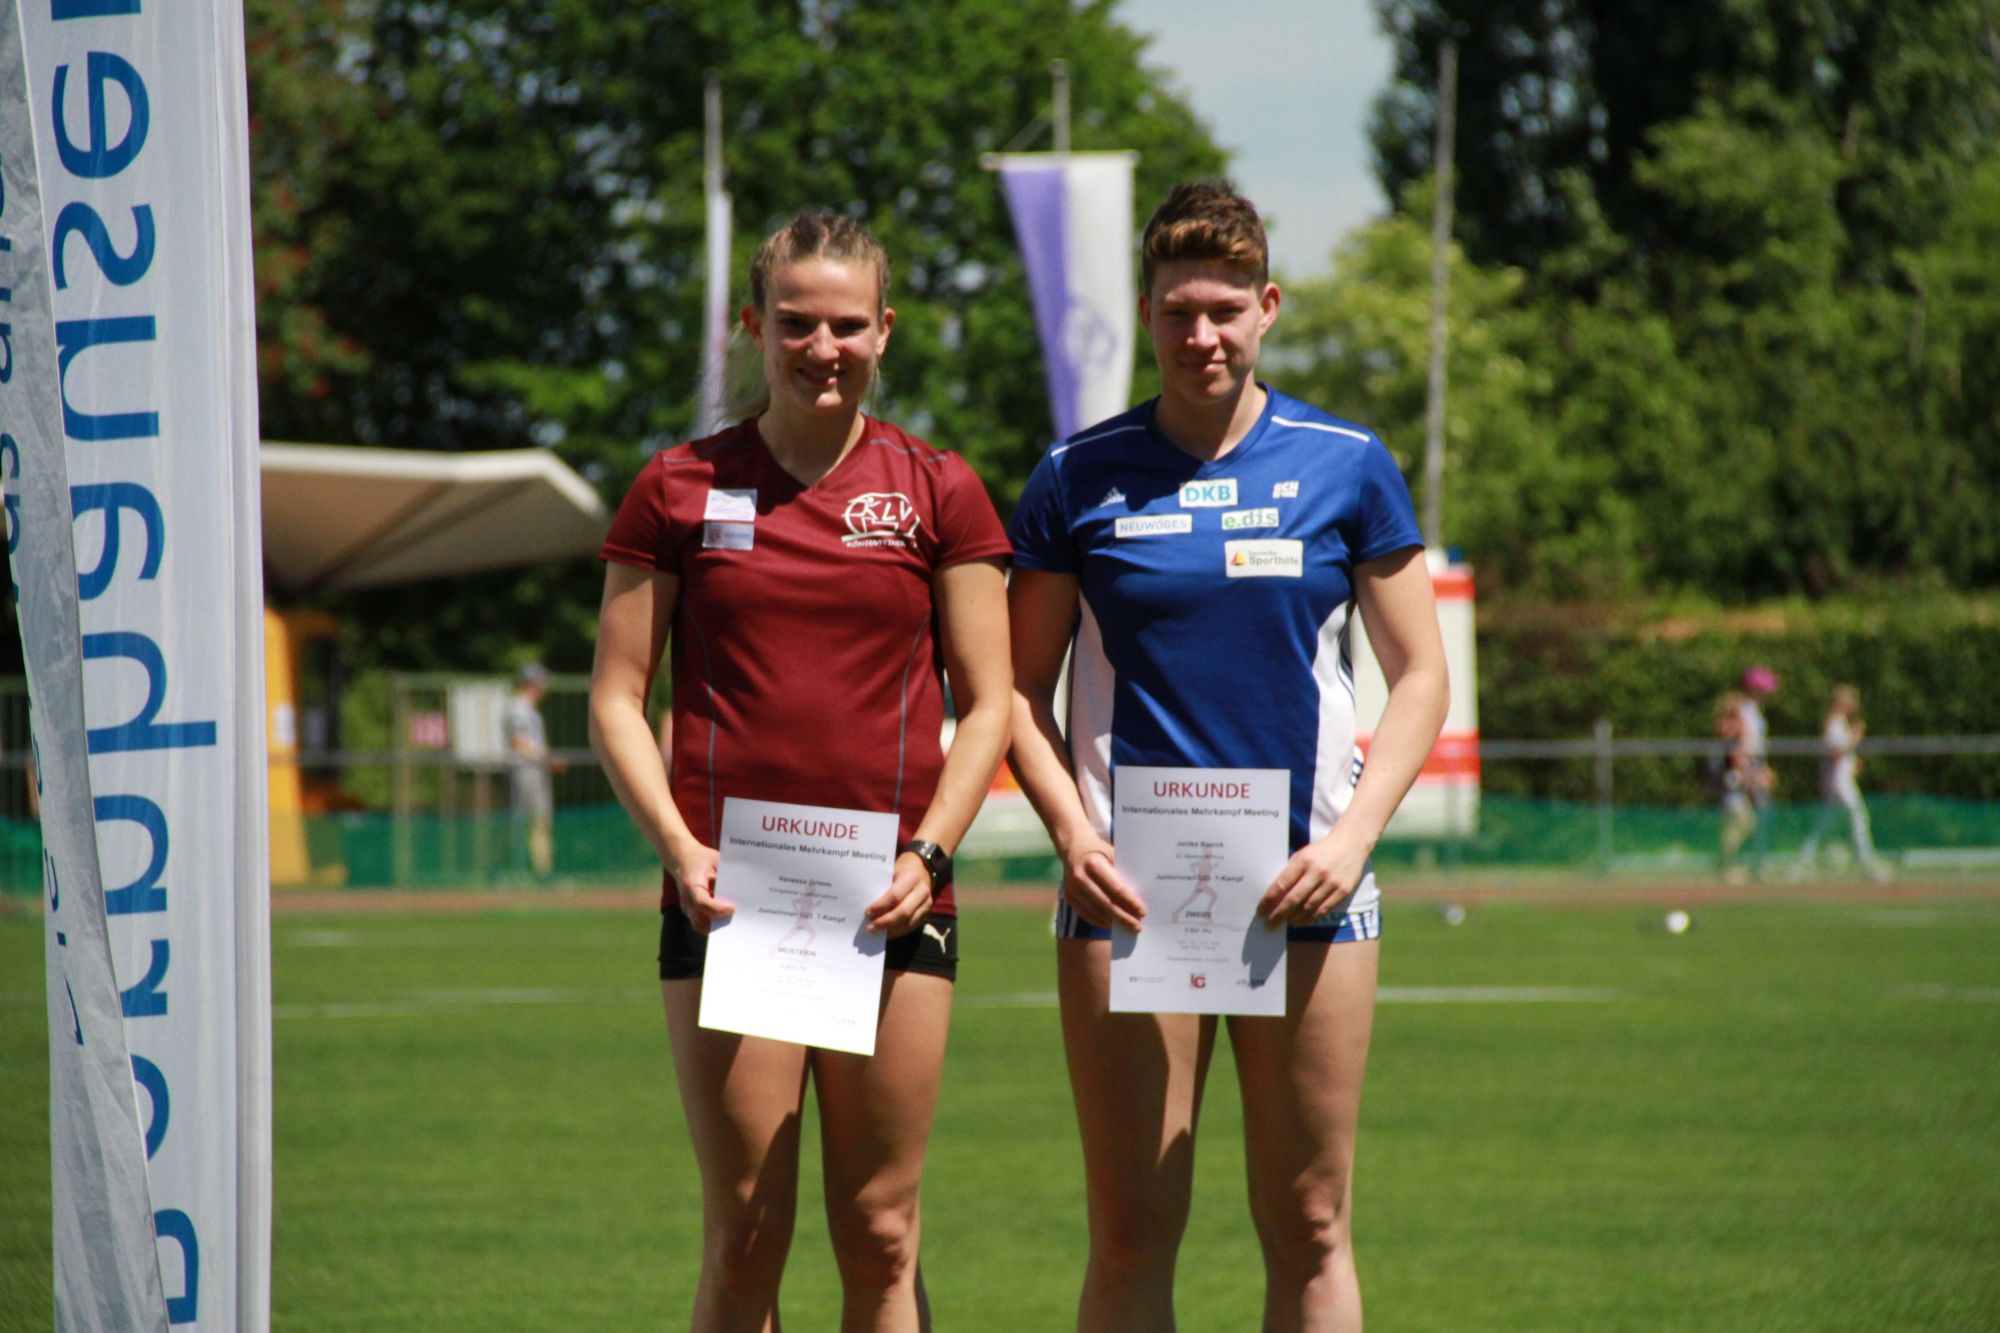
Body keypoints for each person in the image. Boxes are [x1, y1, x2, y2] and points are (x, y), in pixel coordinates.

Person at [1006, 180, 1449, 1331]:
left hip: (1310, 885)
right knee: (1129, 1231)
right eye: (1175, 311)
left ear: (1267, 307)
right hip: (1128, 896)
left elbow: (1419, 675)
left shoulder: (1346, 462)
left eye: (1222, 310)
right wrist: (1072, 835)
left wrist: (1351, 842)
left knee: (1310, 1224)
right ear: (1143, 314)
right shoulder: (1074, 474)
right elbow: (1009, 690)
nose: (1199, 334)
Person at [587, 209, 1012, 1332]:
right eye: (795, 323)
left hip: (894, 900)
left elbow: (990, 704)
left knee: (881, 1233)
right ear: (753, 326)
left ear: (885, 330)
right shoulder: (676, 487)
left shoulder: (939, 489)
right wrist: (678, 847)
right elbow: (615, 698)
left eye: (846, 326)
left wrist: (930, 854)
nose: (822, 348)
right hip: (729, 901)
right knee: (744, 1238)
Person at [1795, 685, 1891, 881]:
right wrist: (1855, 738)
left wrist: (1853, 762)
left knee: (1827, 823)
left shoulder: (1841, 723)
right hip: (1838, 782)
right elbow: (1835, 752)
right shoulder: (1834, 723)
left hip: (1842, 779)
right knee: (1858, 817)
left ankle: (1803, 862)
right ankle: (1866, 863)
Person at [505, 662, 560, 880]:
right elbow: (518, 743)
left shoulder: (528, 710)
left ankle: (539, 870)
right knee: (530, 820)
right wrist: (547, 759)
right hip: (526, 771)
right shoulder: (518, 708)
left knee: (539, 821)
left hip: (534, 770)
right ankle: (527, 871)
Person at [1734, 664, 1780, 875]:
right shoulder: (1745, 711)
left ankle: (1756, 862)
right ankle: (1741, 862)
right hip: (1748, 768)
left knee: (1761, 816)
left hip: (1756, 766)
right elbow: (1743, 745)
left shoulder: (1754, 711)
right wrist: (1752, 772)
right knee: (1749, 818)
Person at [1710, 691, 1758, 884]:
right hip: (1728, 786)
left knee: (1744, 822)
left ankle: (1728, 863)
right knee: (1739, 821)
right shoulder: (1727, 729)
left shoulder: (1735, 730)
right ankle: (1726, 865)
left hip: (1735, 786)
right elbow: (1734, 754)